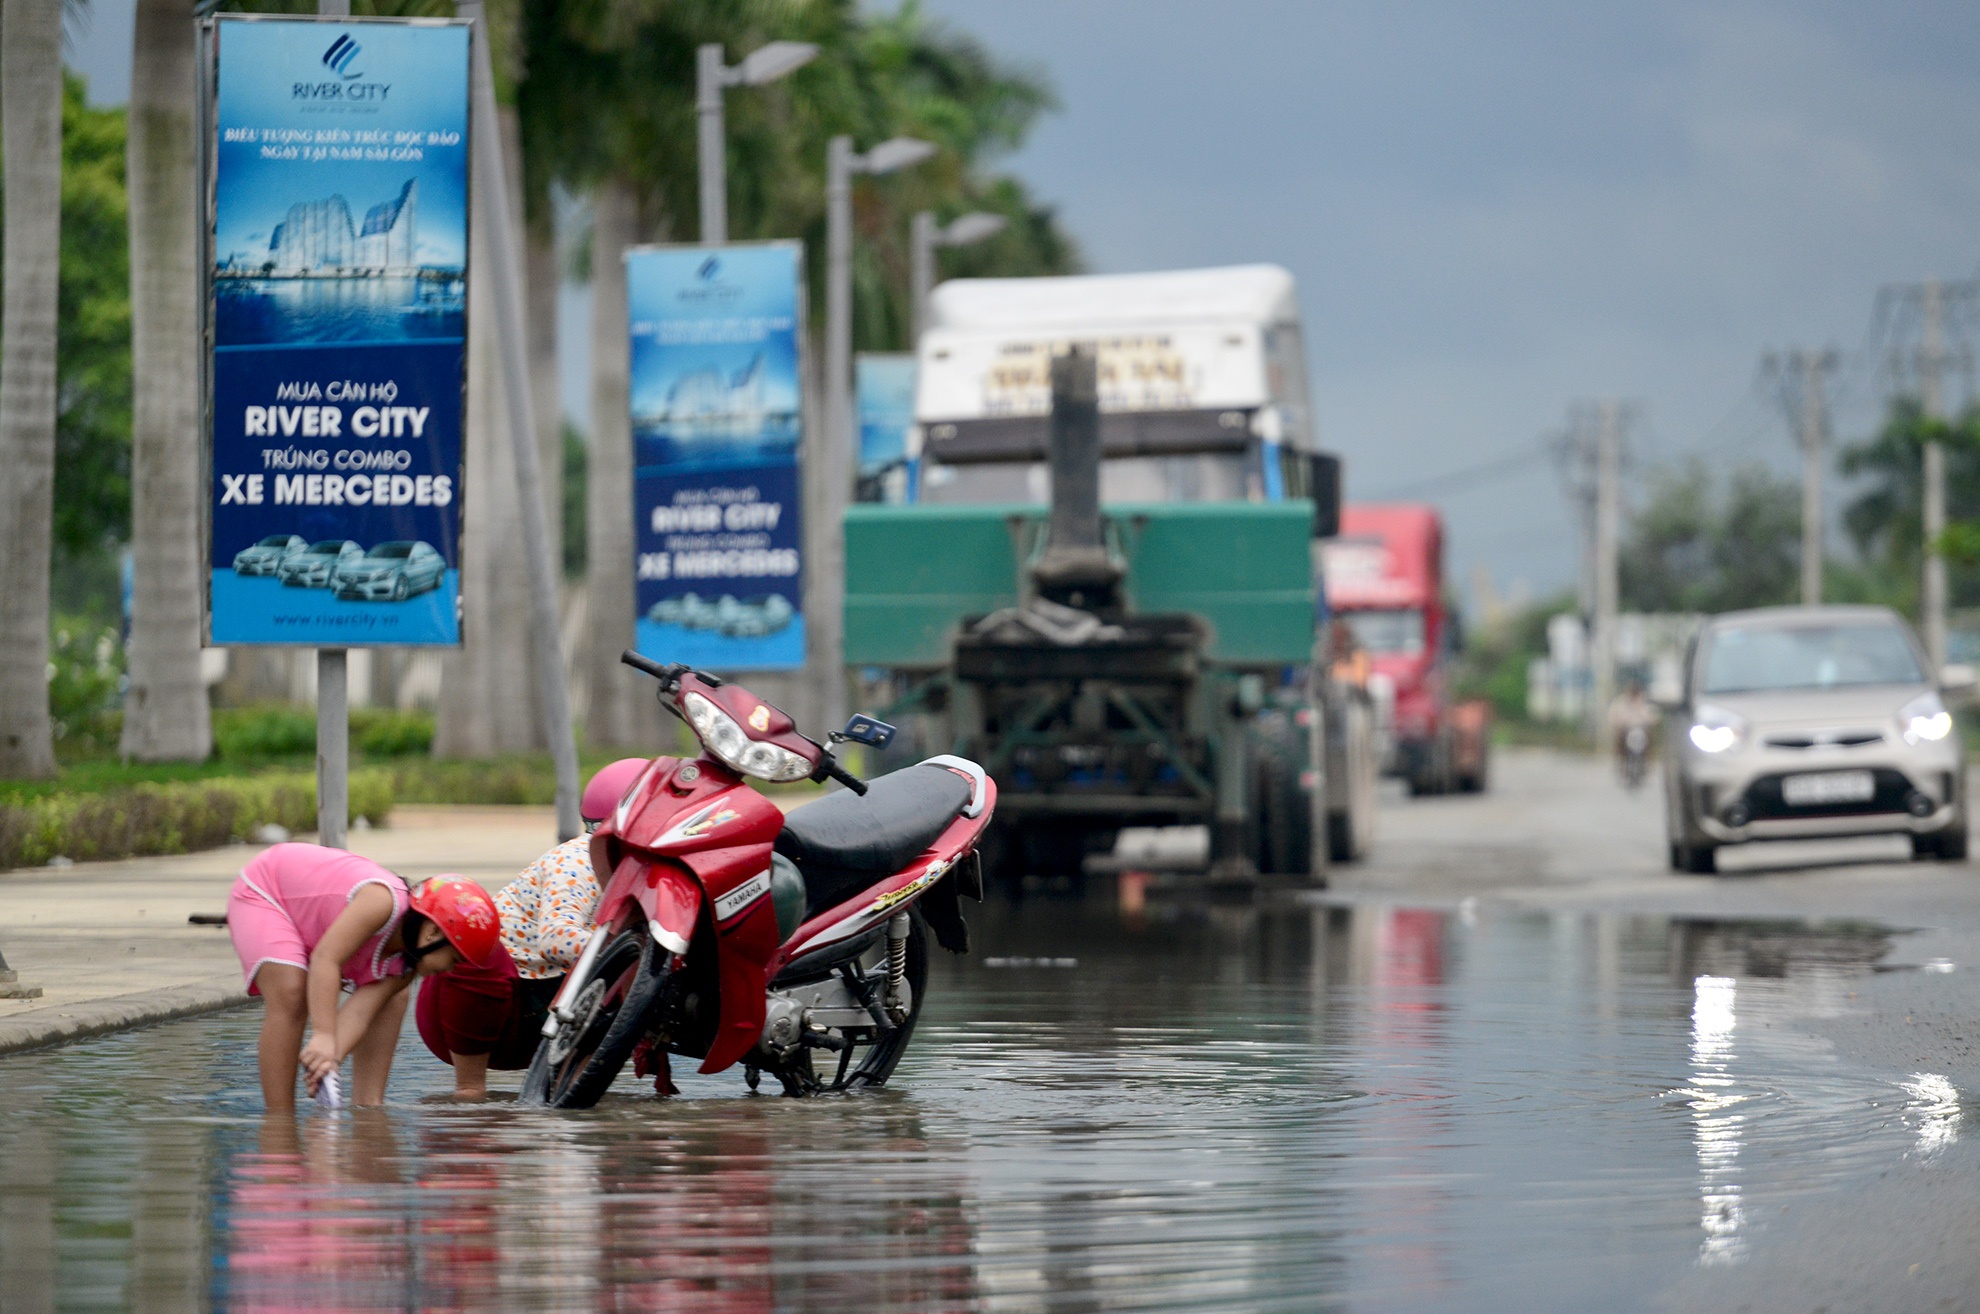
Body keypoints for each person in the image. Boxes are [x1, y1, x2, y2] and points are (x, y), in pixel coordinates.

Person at [416, 758, 650, 1098]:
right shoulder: (578, 861)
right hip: (487, 1000)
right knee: (481, 952)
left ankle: (573, 1093)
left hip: (546, 1009)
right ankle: (469, 1093)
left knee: (628, 982)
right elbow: (555, 939)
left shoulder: (650, 876)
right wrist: (636, 953)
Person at [227, 843, 501, 1110]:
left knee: (393, 998)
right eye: (454, 960)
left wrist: (327, 1061)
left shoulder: (404, 967)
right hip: (267, 891)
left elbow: (359, 1014)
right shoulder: (382, 902)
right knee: (292, 992)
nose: (450, 970)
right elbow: (326, 959)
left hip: (313, 924)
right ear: (432, 932)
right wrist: (323, 1034)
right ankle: (279, 1122)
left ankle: (368, 1108)